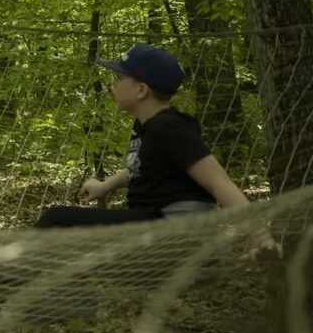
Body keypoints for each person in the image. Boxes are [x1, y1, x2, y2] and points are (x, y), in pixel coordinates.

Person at [36, 43, 274, 237]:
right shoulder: (146, 126)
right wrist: (105, 185)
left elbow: (219, 182)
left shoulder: (170, 127)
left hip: (176, 232)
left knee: (56, 221)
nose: (113, 84)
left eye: (119, 77)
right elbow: (141, 168)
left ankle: (11, 279)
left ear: (141, 90)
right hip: (149, 223)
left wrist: (260, 236)